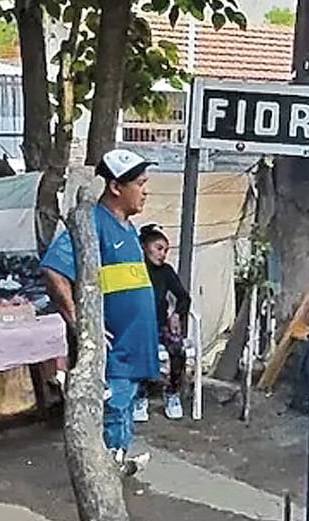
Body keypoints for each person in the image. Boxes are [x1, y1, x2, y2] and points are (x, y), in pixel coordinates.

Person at [39, 149, 162, 467]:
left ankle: (118, 462)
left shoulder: (129, 228)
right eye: (140, 183)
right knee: (113, 406)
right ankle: (104, 470)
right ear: (116, 187)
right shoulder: (92, 223)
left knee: (124, 406)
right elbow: (54, 270)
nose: (145, 190)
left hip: (134, 346)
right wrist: (80, 322)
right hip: (115, 347)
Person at [140, 225, 193, 421]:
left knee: (178, 349)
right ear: (145, 247)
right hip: (138, 325)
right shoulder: (134, 269)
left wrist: (177, 314)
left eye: (166, 250)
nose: (163, 254)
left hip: (160, 324)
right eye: (159, 248)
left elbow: (184, 298)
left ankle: (172, 393)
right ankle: (140, 395)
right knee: (139, 348)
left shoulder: (166, 272)